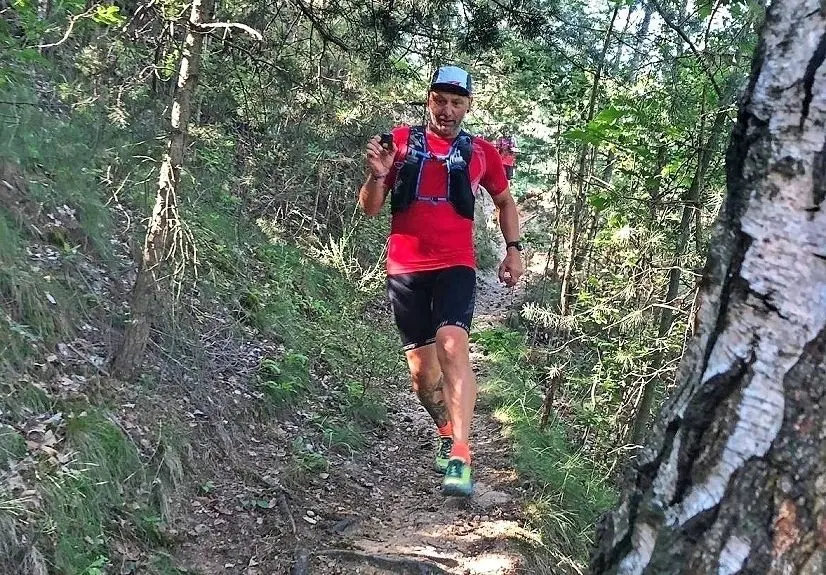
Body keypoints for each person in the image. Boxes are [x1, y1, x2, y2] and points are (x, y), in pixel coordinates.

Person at [357, 65, 524, 496]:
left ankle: (461, 455)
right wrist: (377, 174)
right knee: (422, 380)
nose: (447, 110)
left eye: (457, 102)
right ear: (428, 99)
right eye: (440, 100)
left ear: (467, 106)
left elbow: (505, 202)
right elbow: (370, 208)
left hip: (455, 266)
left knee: (453, 348)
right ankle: (449, 431)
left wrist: (513, 250)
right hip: (406, 270)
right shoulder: (398, 142)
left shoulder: (481, 152)